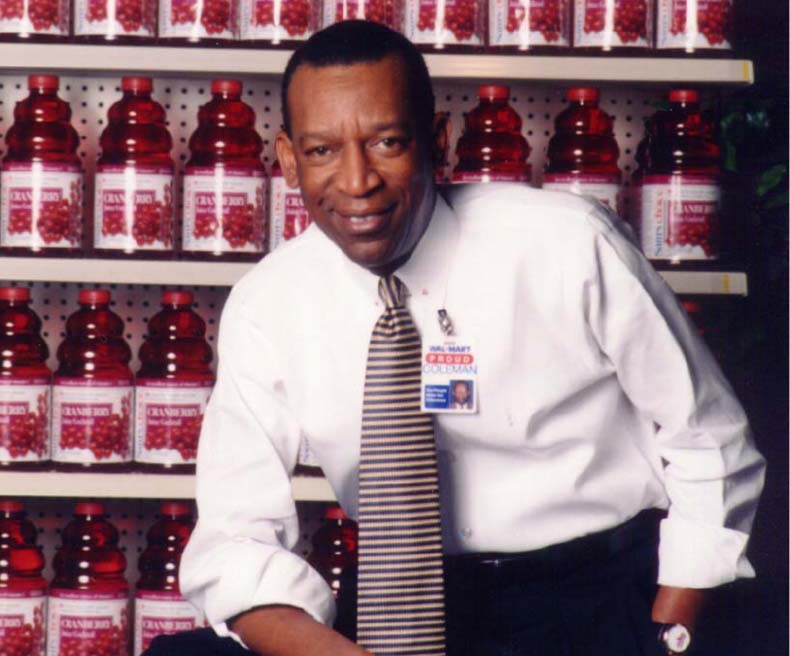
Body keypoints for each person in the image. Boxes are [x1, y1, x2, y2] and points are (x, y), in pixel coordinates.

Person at [148, 20, 766, 656]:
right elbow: (234, 533)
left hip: (592, 597)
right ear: (286, 160)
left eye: (387, 142)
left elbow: (709, 439)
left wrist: (672, 630)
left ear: (435, 140)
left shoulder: (567, 245)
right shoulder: (269, 302)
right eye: (322, 151)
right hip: (398, 603)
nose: (358, 182)